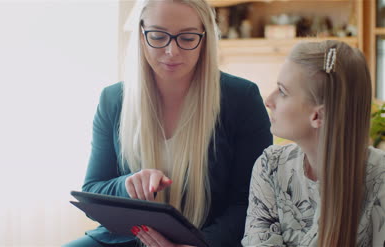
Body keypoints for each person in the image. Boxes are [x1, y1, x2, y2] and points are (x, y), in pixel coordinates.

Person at [64, 0, 272, 246]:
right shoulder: (113, 100)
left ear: (204, 40)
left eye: (186, 38)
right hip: (129, 238)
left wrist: (201, 243)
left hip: (210, 239)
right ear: (141, 36)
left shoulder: (242, 98)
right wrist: (126, 186)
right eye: (158, 36)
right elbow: (92, 193)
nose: (171, 51)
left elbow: (251, 201)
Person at [241, 40, 385, 247]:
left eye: (282, 91)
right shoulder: (270, 166)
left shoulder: (380, 178)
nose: (268, 100)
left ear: (319, 115)